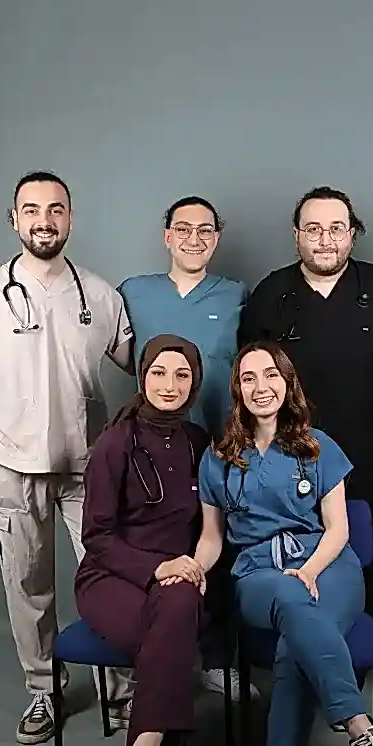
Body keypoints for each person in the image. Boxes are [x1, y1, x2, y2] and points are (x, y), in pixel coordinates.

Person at [194, 342, 373, 746]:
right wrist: (192, 567)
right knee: (291, 605)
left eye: (271, 375)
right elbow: (212, 539)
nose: (261, 386)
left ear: (287, 383)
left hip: (329, 567)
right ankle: (363, 734)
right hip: (259, 574)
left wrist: (310, 570)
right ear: (238, 391)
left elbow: (338, 529)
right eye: (248, 378)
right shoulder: (218, 458)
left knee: (294, 649)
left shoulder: (318, 446)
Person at [0, 171, 134, 746]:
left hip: (88, 468)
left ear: (70, 218)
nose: (44, 220)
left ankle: (121, 692)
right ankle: (44, 689)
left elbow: (149, 369)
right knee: (26, 584)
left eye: (55, 209)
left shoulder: (99, 295)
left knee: (108, 578)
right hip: (13, 467)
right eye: (31, 210)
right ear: (14, 219)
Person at [75, 335, 209, 746]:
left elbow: (210, 528)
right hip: (113, 579)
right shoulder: (115, 443)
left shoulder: (201, 443)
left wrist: (185, 569)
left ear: (194, 383)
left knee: (177, 608)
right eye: (159, 373)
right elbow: (97, 538)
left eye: (182, 375)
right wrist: (157, 568)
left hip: (178, 583)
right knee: (173, 637)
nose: (169, 385)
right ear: (143, 377)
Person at [119, 195, 253, 701]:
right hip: (153, 451)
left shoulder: (235, 295)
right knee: (153, 549)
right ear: (167, 236)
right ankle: (150, 660)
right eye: (183, 228)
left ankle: (217, 660)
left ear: (216, 239)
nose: (193, 238)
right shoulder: (134, 293)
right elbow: (115, 348)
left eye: (204, 230)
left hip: (219, 448)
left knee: (218, 548)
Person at [239, 186, 373, 526]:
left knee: (363, 550)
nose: (325, 241)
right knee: (292, 550)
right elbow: (249, 366)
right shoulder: (271, 292)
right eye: (313, 229)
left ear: (352, 233)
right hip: (288, 454)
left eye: (336, 229)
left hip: (366, 456)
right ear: (297, 235)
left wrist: (367, 365)